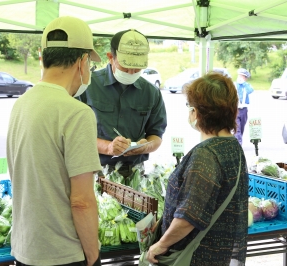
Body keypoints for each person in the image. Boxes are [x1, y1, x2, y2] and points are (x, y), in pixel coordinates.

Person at [6, 16, 102, 266]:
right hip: (63, 254)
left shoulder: (21, 104)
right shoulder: (76, 112)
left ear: (43, 57)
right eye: (90, 64)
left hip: (26, 248)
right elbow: (82, 201)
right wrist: (93, 255)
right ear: (82, 62)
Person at [146, 73, 249, 265]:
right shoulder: (233, 146)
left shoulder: (205, 155)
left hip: (196, 256)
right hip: (219, 254)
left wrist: (160, 244)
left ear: (196, 113)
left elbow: (188, 217)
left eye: (190, 107)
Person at [78, 29, 167, 177]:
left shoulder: (151, 92)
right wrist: (108, 147)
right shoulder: (87, 85)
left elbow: (156, 135)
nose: (131, 72)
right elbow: (74, 135)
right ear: (110, 57)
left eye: (137, 68)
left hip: (134, 173)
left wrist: (145, 147)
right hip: (94, 170)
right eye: (125, 67)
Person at [234, 68, 254, 146]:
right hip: (235, 109)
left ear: (245, 78)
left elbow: (250, 90)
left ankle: (237, 140)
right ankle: (238, 144)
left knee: (241, 127)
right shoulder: (234, 84)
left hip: (244, 109)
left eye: (243, 77)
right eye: (240, 76)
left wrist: (244, 84)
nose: (241, 78)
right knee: (237, 127)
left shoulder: (247, 85)